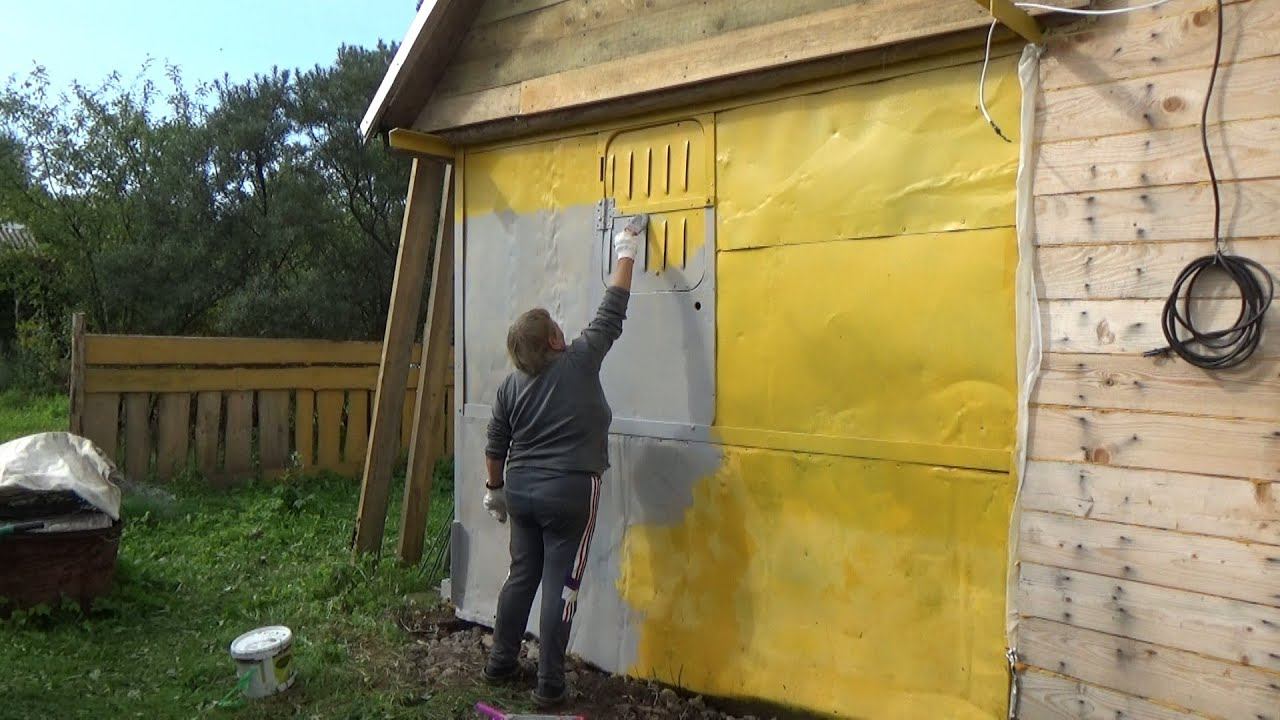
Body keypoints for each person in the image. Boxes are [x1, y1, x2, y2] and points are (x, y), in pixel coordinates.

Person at [480, 216, 645, 709]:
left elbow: (495, 442)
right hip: (570, 492)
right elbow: (612, 309)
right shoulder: (579, 359)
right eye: (556, 327)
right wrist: (626, 248)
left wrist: (494, 491)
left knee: (521, 576)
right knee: (561, 585)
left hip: (521, 491)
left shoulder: (511, 386)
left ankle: (500, 662)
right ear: (554, 341)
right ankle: (549, 685)